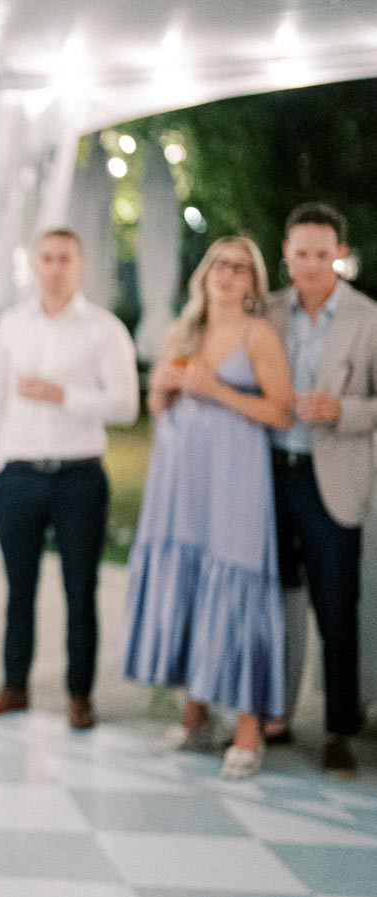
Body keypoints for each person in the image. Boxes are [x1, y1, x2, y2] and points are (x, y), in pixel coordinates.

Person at [124, 236, 293, 778]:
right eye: (219, 264)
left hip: (236, 475)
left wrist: (216, 388)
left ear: (253, 283)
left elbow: (281, 412)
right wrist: (161, 388)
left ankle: (248, 728)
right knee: (192, 581)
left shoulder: (258, 335)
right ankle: (194, 714)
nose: (227, 274)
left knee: (236, 581)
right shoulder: (183, 330)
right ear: (205, 273)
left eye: (240, 268)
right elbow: (158, 405)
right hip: (182, 477)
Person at [0, 228, 139, 730]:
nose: (55, 268)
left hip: (78, 476)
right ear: (35, 265)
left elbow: (126, 406)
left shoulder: (105, 330)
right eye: (46, 258)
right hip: (18, 475)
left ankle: (79, 695)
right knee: (18, 589)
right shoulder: (11, 325)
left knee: (80, 590)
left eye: (64, 258)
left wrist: (64, 395)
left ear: (80, 265)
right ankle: (14, 685)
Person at [265, 202, 377, 775]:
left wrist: (342, 410)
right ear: (286, 254)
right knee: (275, 602)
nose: (310, 263)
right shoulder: (267, 311)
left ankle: (338, 728)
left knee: (336, 608)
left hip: (331, 480)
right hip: (270, 474)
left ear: (340, 254)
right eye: (300, 252)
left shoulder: (367, 318)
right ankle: (275, 715)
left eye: (321, 253)